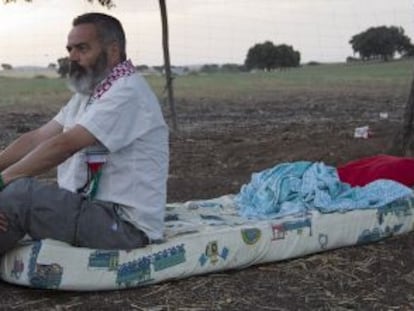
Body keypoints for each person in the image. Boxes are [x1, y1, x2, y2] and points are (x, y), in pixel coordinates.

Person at [0, 12, 169, 253]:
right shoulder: (90, 93)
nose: (72, 57)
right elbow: (37, 138)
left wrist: (2, 180)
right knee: (13, 190)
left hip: (123, 227)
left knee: (19, 196)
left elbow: (64, 145)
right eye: (70, 49)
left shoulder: (127, 92)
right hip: (91, 209)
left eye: (82, 49)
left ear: (112, 51)